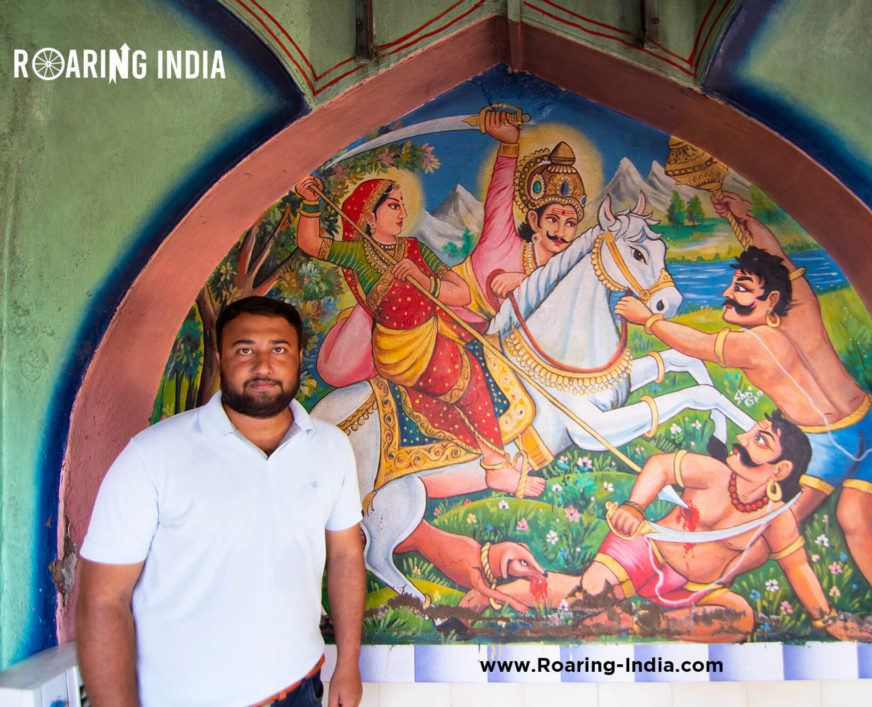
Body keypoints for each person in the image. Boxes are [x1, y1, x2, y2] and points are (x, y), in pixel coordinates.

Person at [613, 190, 872, 638]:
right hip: (870, 426)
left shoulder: (753, 344)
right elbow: (781, 260)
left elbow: (696, 344)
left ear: (770, 301)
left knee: (769, 530)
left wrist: (648, 320)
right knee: (853, 521)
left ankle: (701, 585)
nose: (728, 296)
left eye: (742, 290)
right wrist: (746, 221)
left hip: (825, 443)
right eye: (733, 286)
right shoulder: (802, 300)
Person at [76, 296, 365, 706]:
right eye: (244, 349)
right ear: (220, 356)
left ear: (299, 355)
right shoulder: (153, 456)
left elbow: (345, 557)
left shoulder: (331, 448)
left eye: (278, 349)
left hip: (300, 686)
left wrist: (348, 663)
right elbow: (103, 599)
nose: (262, 365)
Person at [462, 414, 872, 643]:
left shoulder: (775, 519)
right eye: (753, 431)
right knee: (582, 600)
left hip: (689, 589)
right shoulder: (715, 473)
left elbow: (799, 569)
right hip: (644, 550)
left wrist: (825, 620)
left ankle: (636, 621)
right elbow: (661, 466)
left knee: (740, 619)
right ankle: (484, 599)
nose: (743, 438)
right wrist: (634, 505)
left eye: (760, 440)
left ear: (780, 470)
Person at [294, 177, 537, 496]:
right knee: (473, 379)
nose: (402, 212)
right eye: (393, 205)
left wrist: (424, 279)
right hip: (403, 351)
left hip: (432, 333)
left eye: (402, 205)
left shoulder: (414, 248)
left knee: (488, 353)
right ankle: (495, 467)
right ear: (370, 216)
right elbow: (310, 244)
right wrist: (311, 202)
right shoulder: (357, 254)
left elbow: (461, 294)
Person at [453, 109, 588, 326]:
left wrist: (526, 283)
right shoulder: (501, 242)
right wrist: (509, 145)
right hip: (448, 321)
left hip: (500, 347)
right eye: (553, 219)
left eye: (570, 223)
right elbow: (500, 195)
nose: (561, 232)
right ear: (534, 220)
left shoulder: (566, 276)